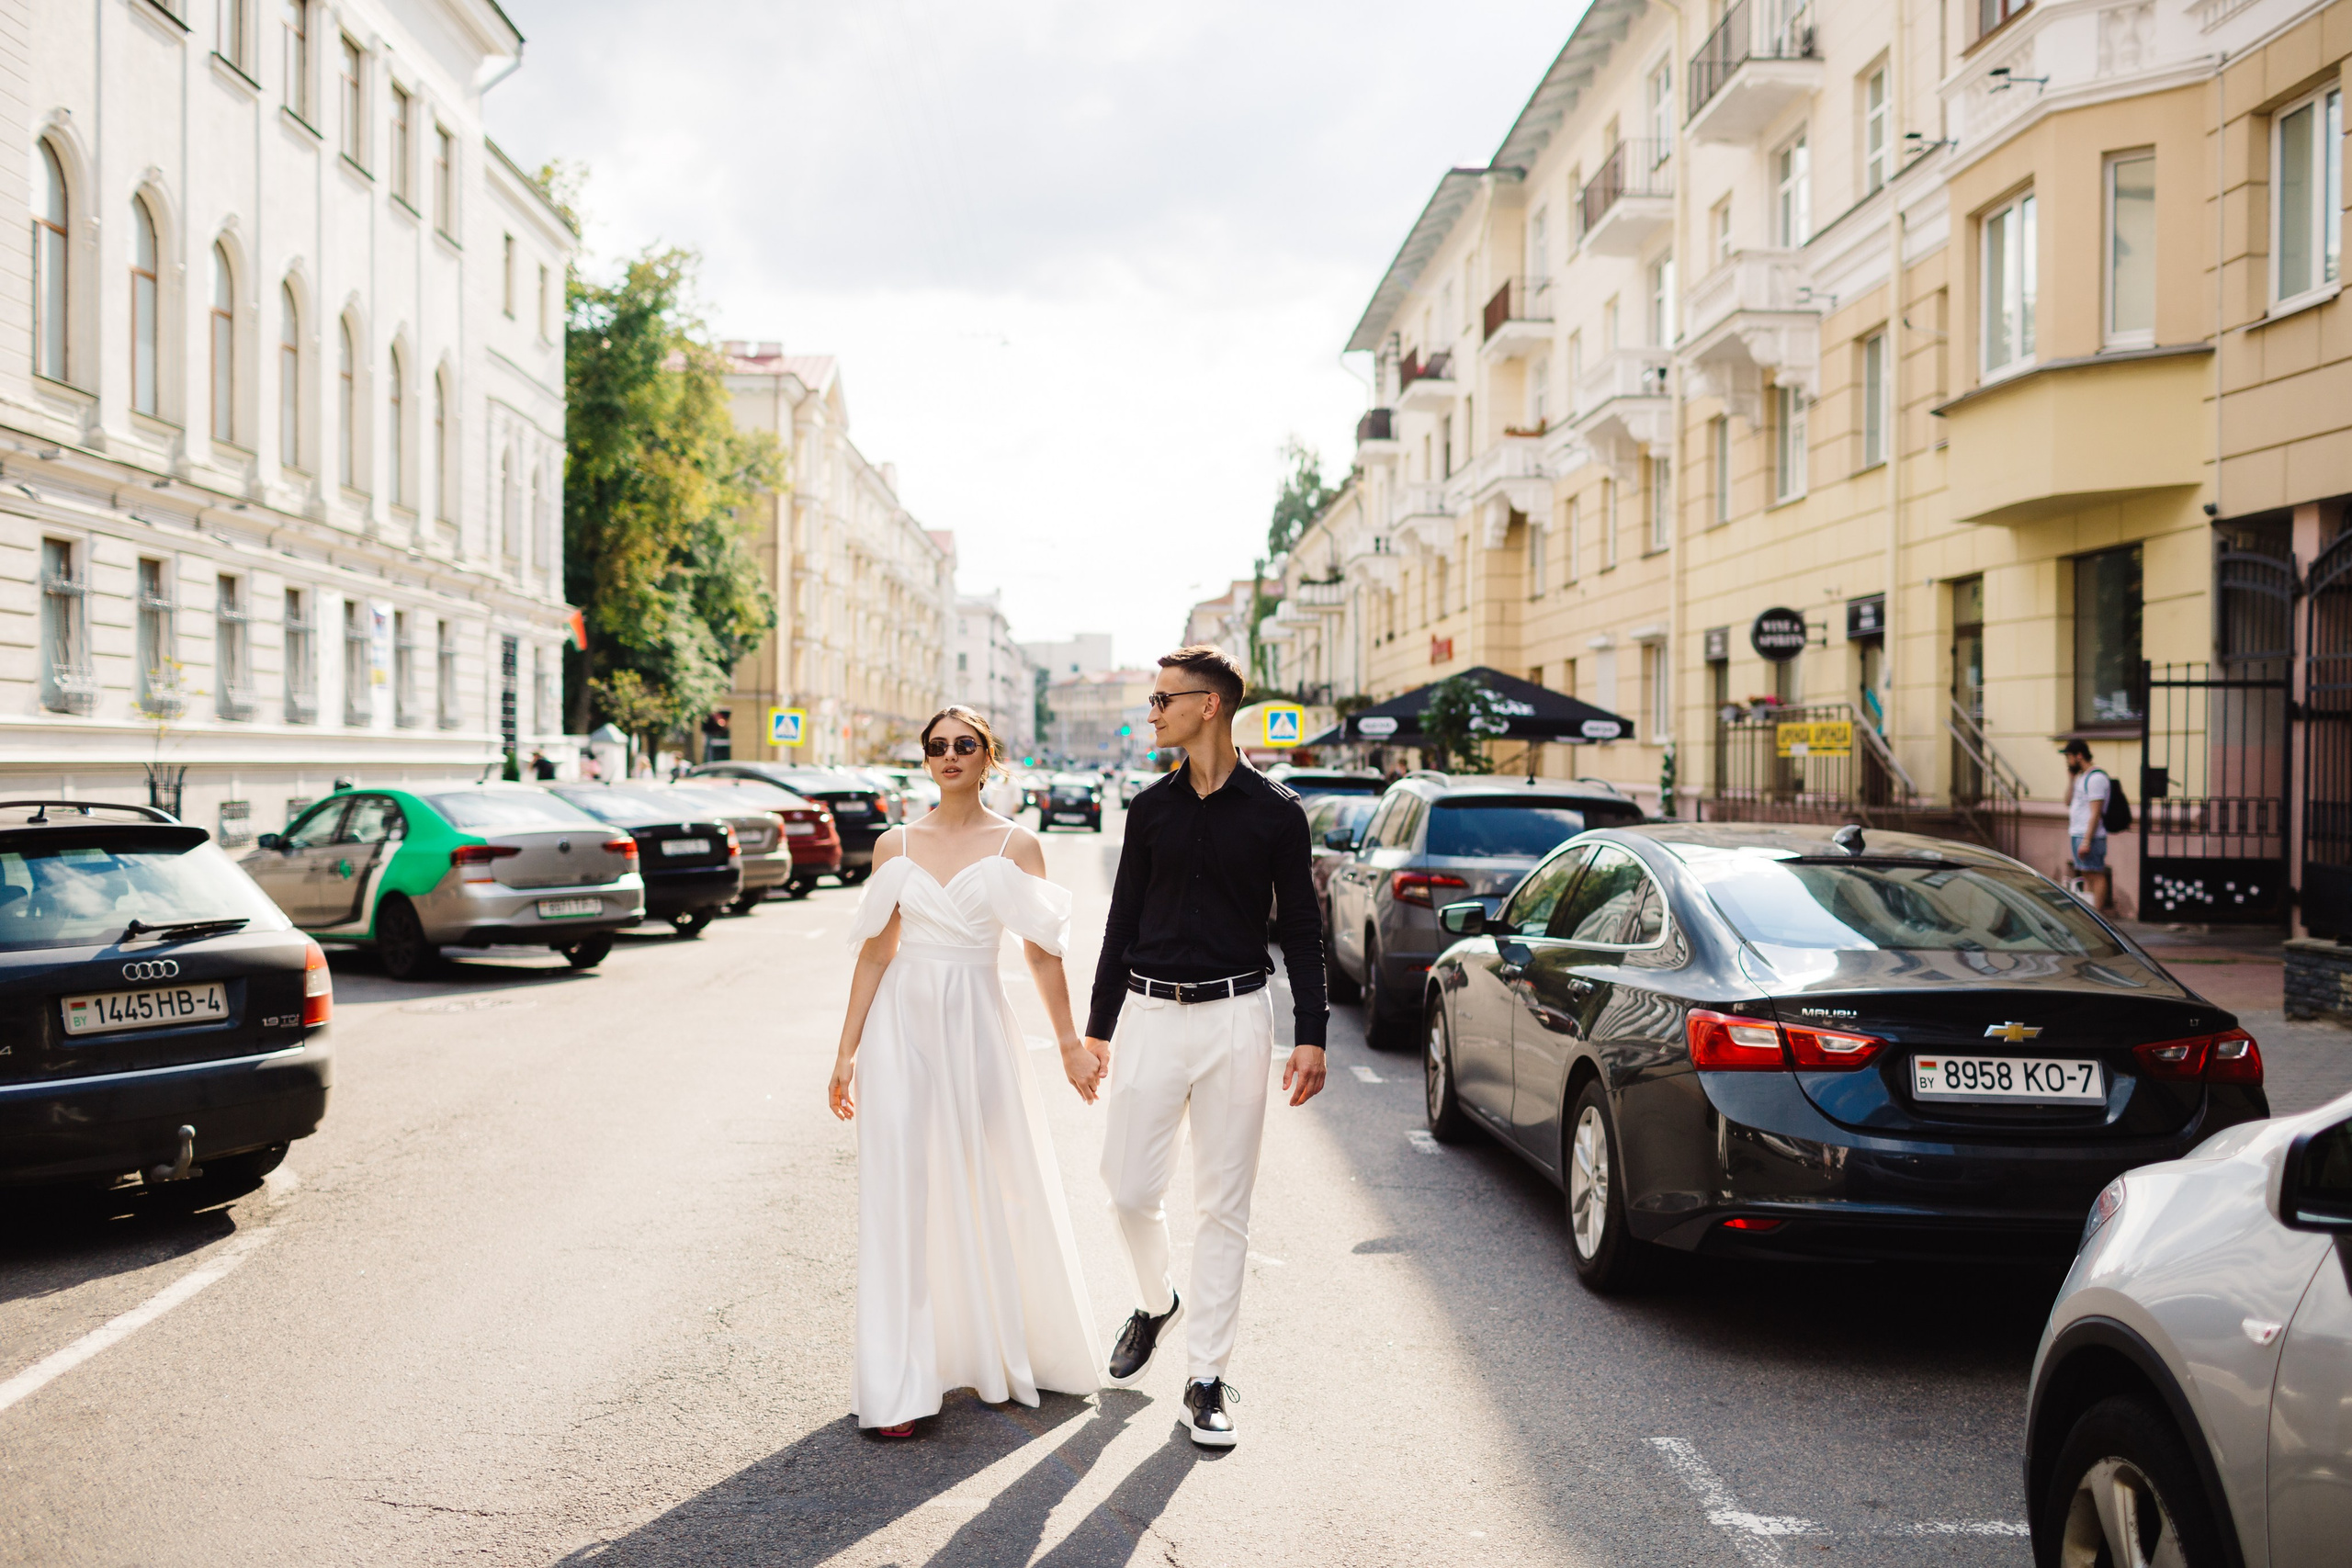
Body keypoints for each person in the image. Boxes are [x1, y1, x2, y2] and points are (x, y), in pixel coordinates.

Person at [830, 705, 1105, 1438]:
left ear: (990, 756)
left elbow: (1041, 953)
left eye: (965, 744)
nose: (950, 755)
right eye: (938, 746)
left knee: (992, 1180)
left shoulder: (1018, 844)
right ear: (926, 760)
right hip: (900, 1026)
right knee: (899, 1194)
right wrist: (846, 1049)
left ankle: (994, 1349)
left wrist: (1071, 1042)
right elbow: (876, 952)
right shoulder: (897, 843)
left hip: (978, 1025)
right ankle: (897, 1385)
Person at [1084, 645, 1327, 1449]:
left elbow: (1300, 930)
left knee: (1224, 1204)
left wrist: (1313, 1036)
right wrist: (1098, 1027)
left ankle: (1206, 1378)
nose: (1151, 712)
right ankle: (1158, 1302)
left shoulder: (1278, 813)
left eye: (1162, 700)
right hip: (1151, 1012)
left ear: (1208, 706)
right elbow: (1120, 923)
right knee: (1126, 1187)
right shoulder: (1149, 809)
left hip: (1237, 1016)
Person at [2063, 739, 2112, 910]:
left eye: (2069, 757)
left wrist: (2086, 841)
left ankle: (2098, 915)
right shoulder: (2081, 777)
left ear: (2079, 756)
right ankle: (2091, 912)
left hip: (2091, 836)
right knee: (2086, 873)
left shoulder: (2096, 778)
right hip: (2078, 832)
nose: (2067, 761)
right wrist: (2071, 780)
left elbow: (2096, 813)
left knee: (2096, 873)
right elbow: (2067, 801)